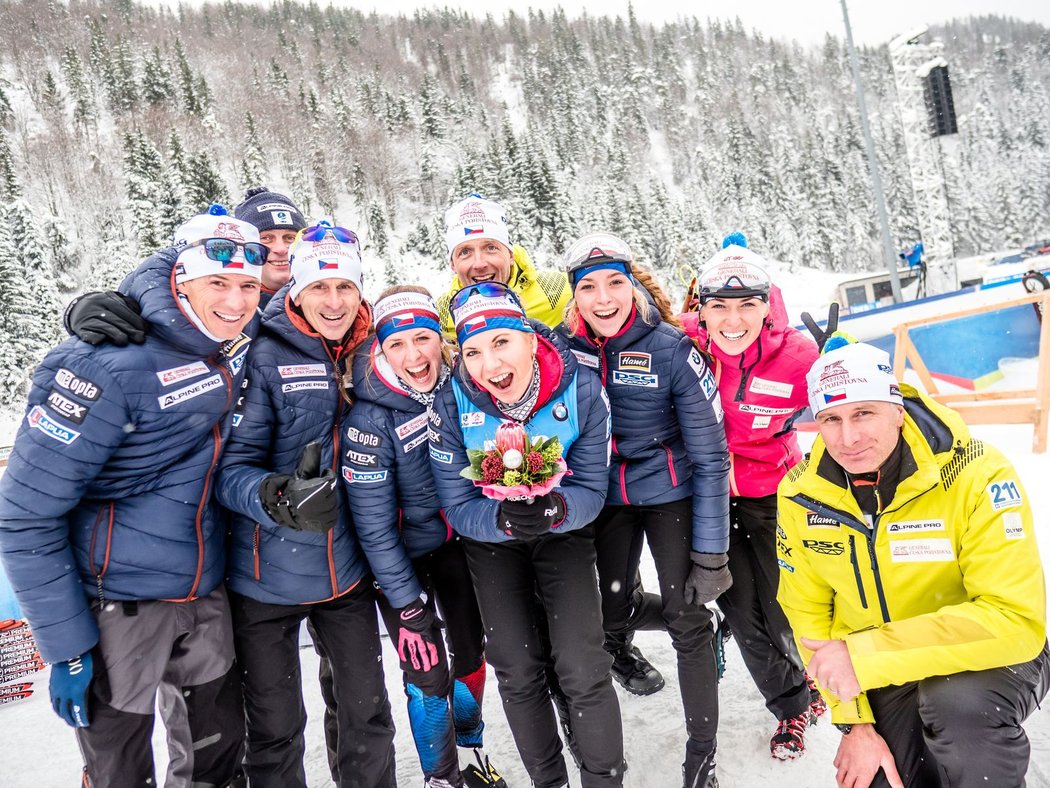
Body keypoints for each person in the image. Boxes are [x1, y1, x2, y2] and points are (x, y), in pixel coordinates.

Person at [0, 205, 262, 787]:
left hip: (204, 597)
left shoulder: (226, 345)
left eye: (248, 285)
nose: (237, 301)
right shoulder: (101, 363)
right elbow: (23, 517)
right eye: (217, 282)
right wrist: (67, 647)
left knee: (215, 766)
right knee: (121, 774)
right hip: (117, 609)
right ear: (181, 276)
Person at [776, 339, 1049, 788]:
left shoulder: (977, 474)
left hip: (988, 658)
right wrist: (856, 724)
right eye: (831, 419)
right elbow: (808, 616)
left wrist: (864, 655)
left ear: (897, 409)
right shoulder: (801, 493)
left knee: (960, 714)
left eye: (864, 413)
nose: (848, 437)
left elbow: (1015, 622)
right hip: (882, 670)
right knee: (879, 777)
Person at [213, 222, 400, 788]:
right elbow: (227, 471)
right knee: (274, 729)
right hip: (264, 579)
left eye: (345, 287)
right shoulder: (262, 354)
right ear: (294, 291)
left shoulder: (373, 350)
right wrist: (275, 497)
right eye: (320, 288)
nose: (334, 301)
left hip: (345, 576)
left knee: (367, 716)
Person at [429, 281, 626, 788]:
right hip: (492, 542)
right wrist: (500, 521)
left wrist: (559, 507)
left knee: (583, 665)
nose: (489, 365)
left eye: (500, 342)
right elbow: (456, 500)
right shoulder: (451, 399)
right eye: (472, 350)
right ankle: (549, 781)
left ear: (528, 337)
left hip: (563, 533)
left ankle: (604, 779)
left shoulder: (579, 385)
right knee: (516, 667)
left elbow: (592, 487)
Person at [556, 233, 730, 788]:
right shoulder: (561, 348)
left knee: (687, 615)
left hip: (669, 492)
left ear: (633, 285)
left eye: (615, 283)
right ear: (574, 296)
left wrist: (711, 553)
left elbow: (710, 457)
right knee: (607, 615)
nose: (603, 298)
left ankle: (702, 755)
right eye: (588, 287)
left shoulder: (671, 348)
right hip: (602, 496)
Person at [344, 285, 504, 788]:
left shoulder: (461, 385)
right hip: (401, 559)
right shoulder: (369, 418)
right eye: (398, 344)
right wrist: (405, 601)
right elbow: (372, 525)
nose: (415, 356)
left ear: (442, 339)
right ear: (380, 350)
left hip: (455, 545)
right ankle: (441, 777)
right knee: (427, 669)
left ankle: (471, 744)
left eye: (424, 338)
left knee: (471, 651)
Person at [679, 241, 828, 760]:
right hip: (712, 500)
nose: (732, 319)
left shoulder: (797, 355)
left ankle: (812, 672)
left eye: (746, 305)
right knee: (742, 612)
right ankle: (792, 706)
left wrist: (840, 359)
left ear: (768, 306)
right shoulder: (686, 343)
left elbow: (858, 406)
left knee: (785, 605)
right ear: (702, 310)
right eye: (719, 306)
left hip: (775, 495)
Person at [435, 193, 572, 338]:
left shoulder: (558, 290)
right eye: (465, 252)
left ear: (510, 254)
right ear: (452, 264)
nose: (479, 264)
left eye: (490, 248)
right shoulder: (442, 315)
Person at [233, 185, 308, 307]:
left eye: (290, 238)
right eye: (266, 238)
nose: (281, 249)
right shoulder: (229, 308)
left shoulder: (332, 297)